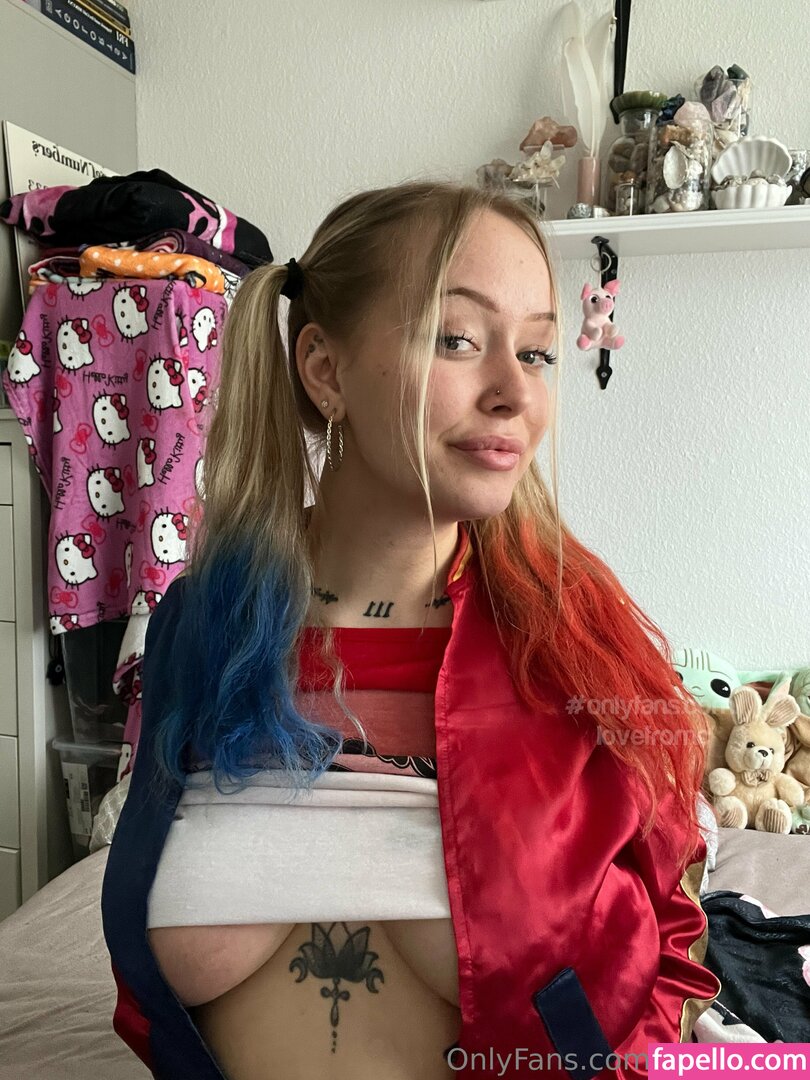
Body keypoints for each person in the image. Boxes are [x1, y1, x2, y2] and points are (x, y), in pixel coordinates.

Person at [101, 179, 721, 1080]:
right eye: (458, 339)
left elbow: (674, 926)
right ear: (325, 369)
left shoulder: (576, 647)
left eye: (538, 352)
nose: (516, 392)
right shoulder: (201, 627)